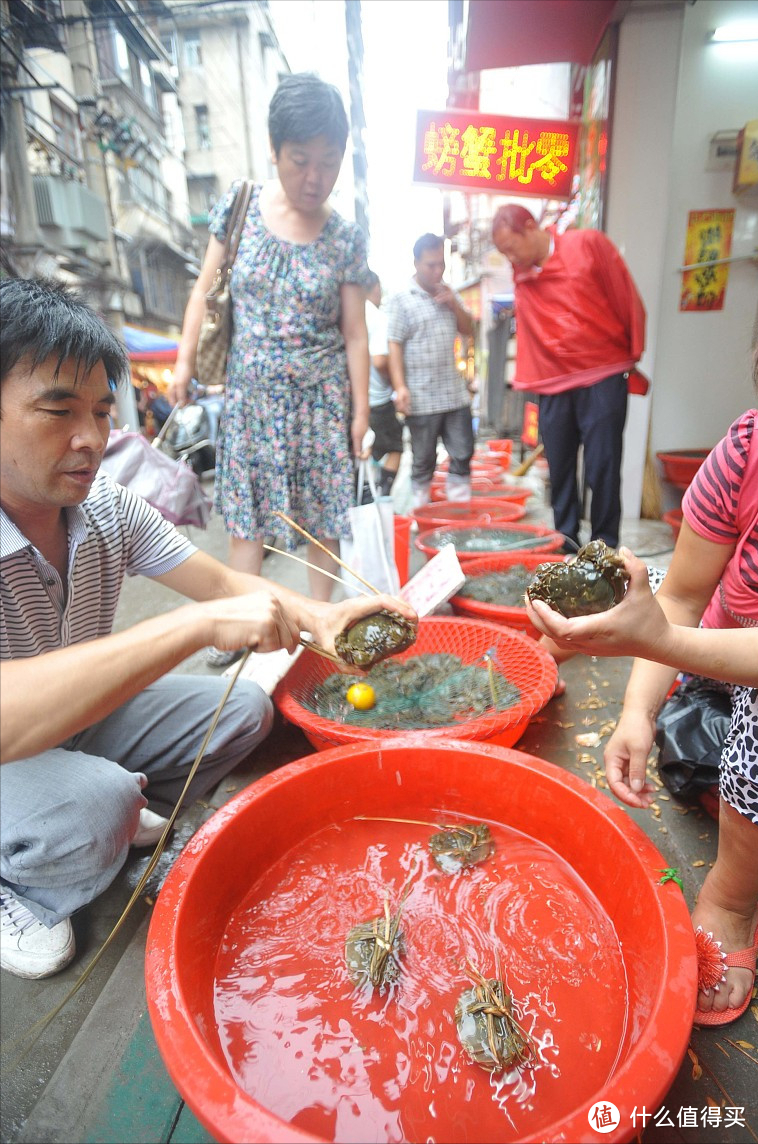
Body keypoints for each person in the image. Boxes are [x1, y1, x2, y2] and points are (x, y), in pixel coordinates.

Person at [0, 277, 416, 980]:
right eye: (57, 409)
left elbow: (222, 584)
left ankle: (100, 810)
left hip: (76, 728)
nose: (90, 438)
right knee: (97, 808)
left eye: (103, 411)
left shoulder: (106, 507)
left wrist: (325, 618)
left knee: (244, 710)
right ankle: (26, 880)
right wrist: (194, 629)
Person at [526, 401, 758, 1028]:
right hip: (718, 643)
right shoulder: (743, 451)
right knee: (631, 580)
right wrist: (636, 710)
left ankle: (733, 900)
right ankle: (531, 670)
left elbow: (668, 633)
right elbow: (681, 594)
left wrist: (659, 645)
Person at [170, 74, 373, 666]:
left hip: (321, 398)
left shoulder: (345, 238)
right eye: (300, 160)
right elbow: (203, 291)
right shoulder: (240, 206)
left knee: (323, 518)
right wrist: (183, 360)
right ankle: (240, 628)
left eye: (329, 163)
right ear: (274, 149)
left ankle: (321, 629)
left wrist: (361, 413)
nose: (314, 178)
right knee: (246, 520)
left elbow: (356, 332)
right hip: (252, 397)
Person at [491, 204, 646, 552]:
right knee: (559, 468)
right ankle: (566, 543)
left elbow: (624, 296)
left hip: (602, 376)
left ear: (530, 227)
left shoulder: (588, 244)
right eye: (503, 253)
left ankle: (604, 548)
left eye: (511, 248)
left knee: (602, 467)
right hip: (553, 382)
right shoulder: (523, 273)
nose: (510, 258)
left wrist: (630, 353)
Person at [387, 234, 475, 509]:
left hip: (453, 393)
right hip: (421, 396)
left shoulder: (449, 292)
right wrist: (400, 387)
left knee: (463, 452)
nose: (437, 271)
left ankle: (459, 509)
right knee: (423, 459)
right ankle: (421, 512)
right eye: (430, 265)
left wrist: (453, 304)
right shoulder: (402, 299)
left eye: (441, 265)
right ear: (416, 263)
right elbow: (394, 345)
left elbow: (468, 329)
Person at [365, 272, 404, 497]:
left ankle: (370, 496)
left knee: (364, 451)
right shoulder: (377, 317)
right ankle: (381, 496)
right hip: (377, 399)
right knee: (395, 447)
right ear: (376, 287)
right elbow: (380, 360)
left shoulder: (347, 313)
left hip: (352, 400)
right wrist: (395, 381)